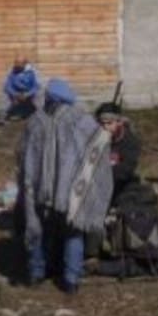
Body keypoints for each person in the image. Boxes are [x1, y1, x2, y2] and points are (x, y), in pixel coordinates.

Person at [19, 78, 113, 294]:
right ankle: (71, 279)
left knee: (39, 229)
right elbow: (99, 143)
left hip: (41, 188)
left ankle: (37, 272)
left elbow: (24, 154)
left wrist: (28, 181)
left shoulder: (35, 121)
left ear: (49, 98)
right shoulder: (81, 120)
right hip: (71, 192)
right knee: (73, 232)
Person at [95, 102, 141, 206]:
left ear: (119, 122)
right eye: (102, 124)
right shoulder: (95, 138)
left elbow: (126, 169)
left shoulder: (129, 141)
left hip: (120, 186)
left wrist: (103, 173)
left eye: (109, 123)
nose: (105, 127)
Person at [0, 57, 41, 125]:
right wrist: (15, 94)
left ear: (25, 64)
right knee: (4, 94)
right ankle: (2, 116)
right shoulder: (11, 71)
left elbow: (36, 86)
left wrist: (27, 94)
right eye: (15, 62)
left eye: (19, 63)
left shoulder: (33, 71)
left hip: (29, 92)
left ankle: (41, 116)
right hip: (16, 92)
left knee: (40, 94)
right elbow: (7, 85)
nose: (16, 65)